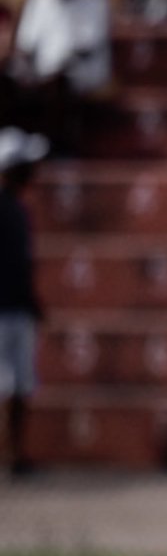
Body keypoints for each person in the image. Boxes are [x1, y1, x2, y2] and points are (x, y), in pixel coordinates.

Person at [8, 0, 112, 153]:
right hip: (43, 72)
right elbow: (26, 44)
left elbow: (87, 47)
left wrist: (56, 67)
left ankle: (57, 144)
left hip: (83, 71)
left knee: (59, 82)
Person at [0, 127, 49, 476]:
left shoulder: (19, 209)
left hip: (18, 307)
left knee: (19, 386)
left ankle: (16, 455)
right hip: (4, 310)